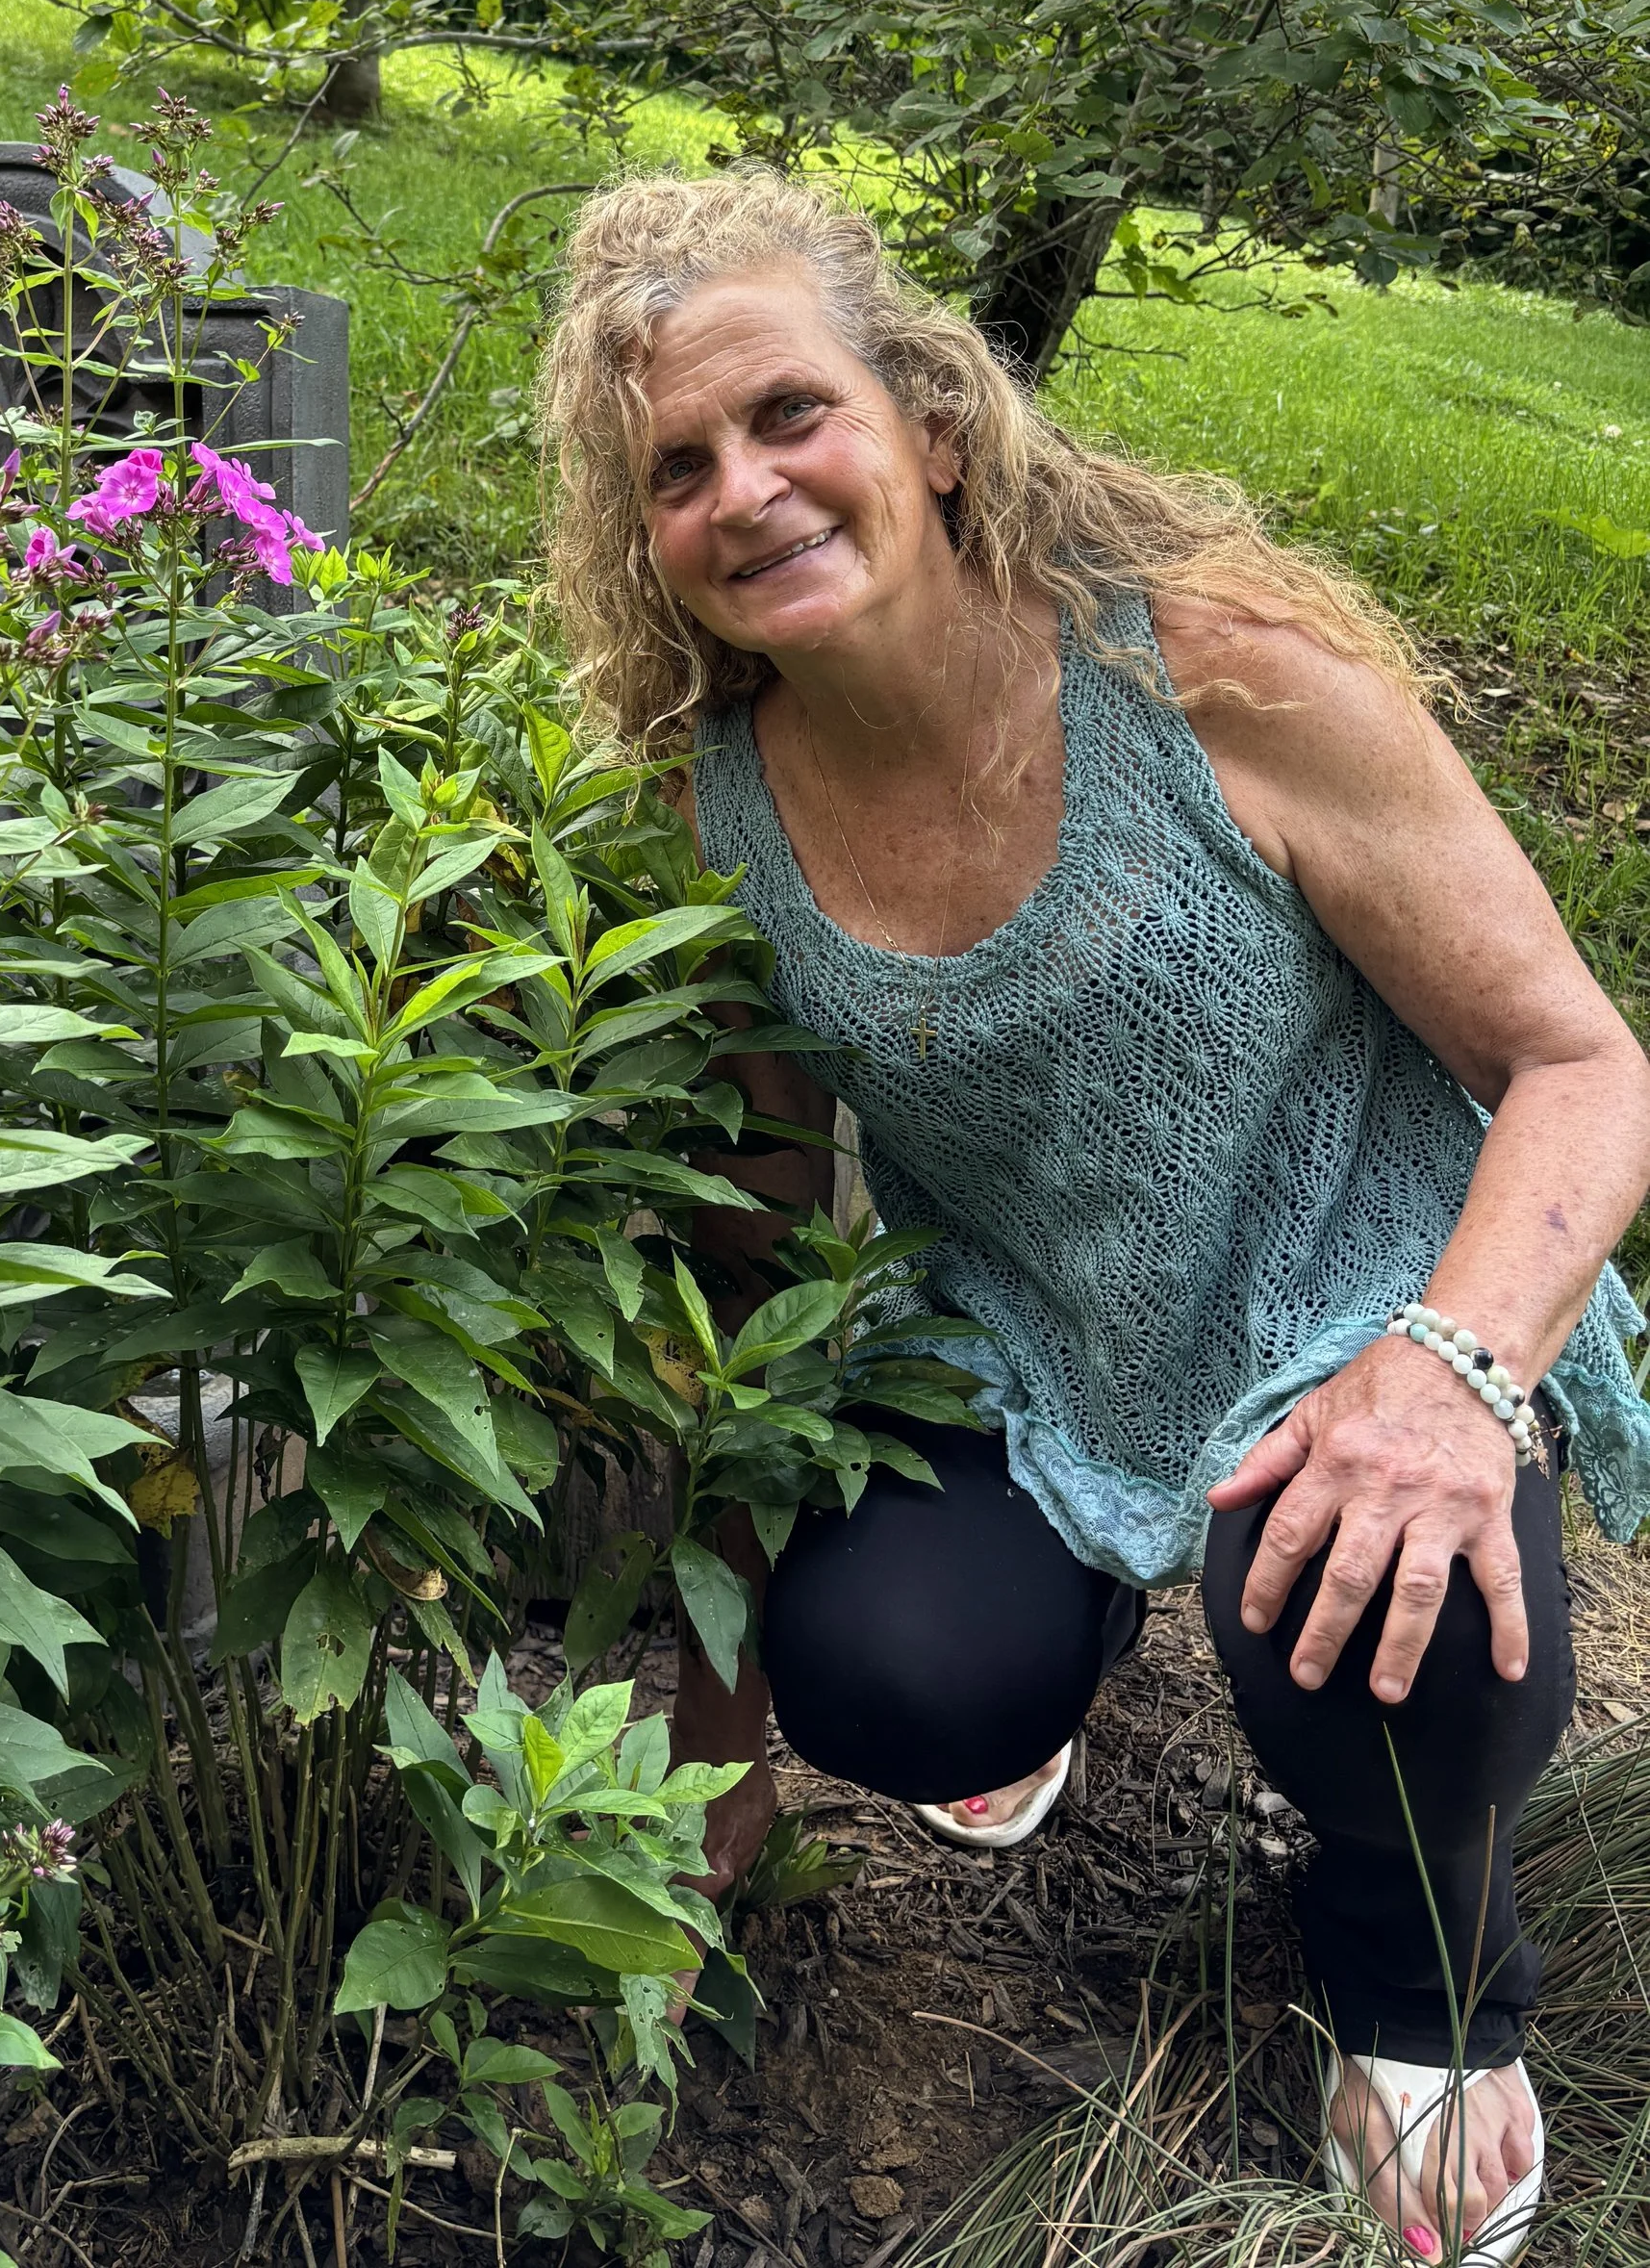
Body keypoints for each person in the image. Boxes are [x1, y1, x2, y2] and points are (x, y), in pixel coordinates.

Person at [538, 170, 1650, 2263]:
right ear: (645, 544)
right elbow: (761, 1260)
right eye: (672, 470)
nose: (743, 488)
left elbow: (1584, 1064)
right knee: (881, 1667)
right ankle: (1060, 1633)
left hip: (1377, 1284)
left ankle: (1421, 2007)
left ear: (931, 422)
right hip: (1037, 1333)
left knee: (1369, 1618)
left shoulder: (1216, 679)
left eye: (789, 412)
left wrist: (1451, 1370)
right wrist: (705, 1776)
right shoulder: (713, 814)